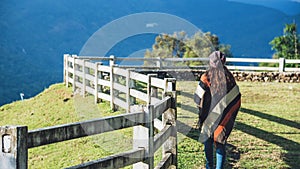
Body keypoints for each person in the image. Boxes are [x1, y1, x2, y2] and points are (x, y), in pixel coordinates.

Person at [194, 51, 241, 169]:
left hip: (208, 115)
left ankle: (209, 166)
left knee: (208, 141)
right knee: (220, 143)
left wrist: (202, 109)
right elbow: (236, 97)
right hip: (224, 116)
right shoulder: (229, 77)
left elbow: (197, 97)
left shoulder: (206, 77)